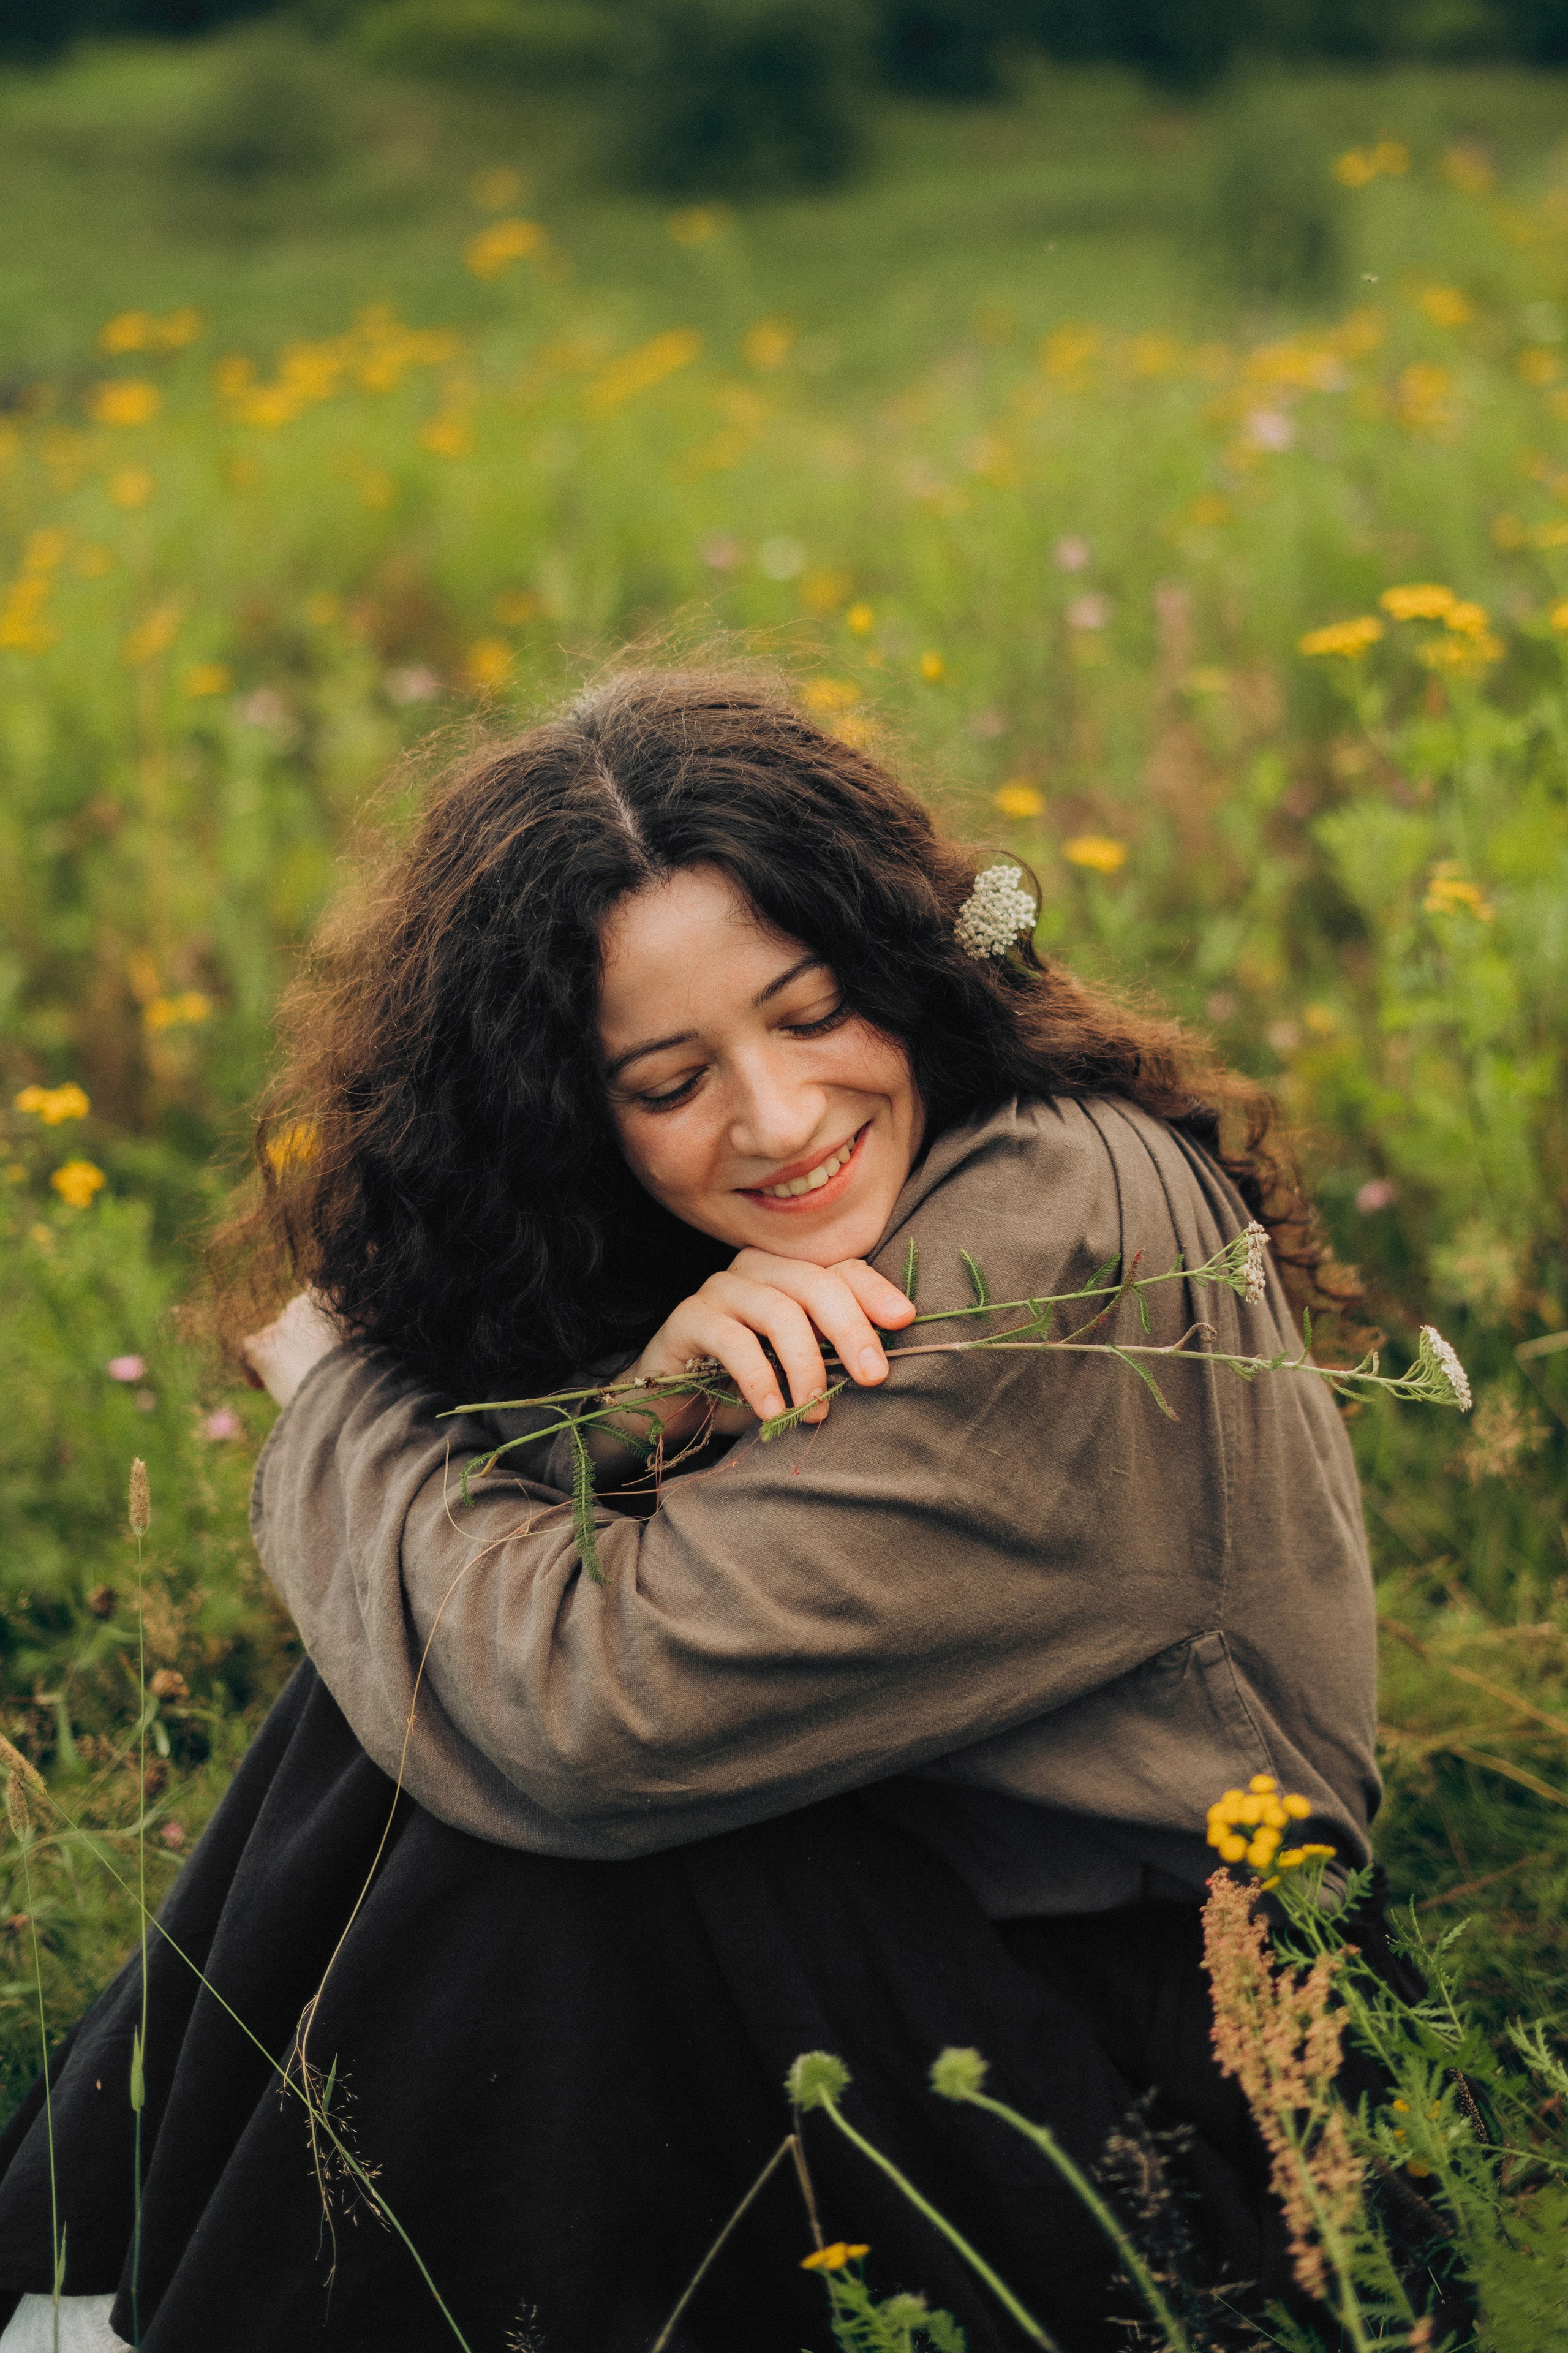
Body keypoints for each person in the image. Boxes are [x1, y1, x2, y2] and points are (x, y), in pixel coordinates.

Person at [0, 668, 1382, 2353]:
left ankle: (105, 2290)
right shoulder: (816, 1235)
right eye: (670, 1082)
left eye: (813, 1014)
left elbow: (595, 1702)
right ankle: (97, 2276)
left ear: (906, 965)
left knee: (532, 1794)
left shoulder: (1055, 1211)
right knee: (440, 1698)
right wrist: (631, 1412)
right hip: (943, 1987)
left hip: (1200, 2112)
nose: (779, 1117)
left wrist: (347, 1393)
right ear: (574, 1115)